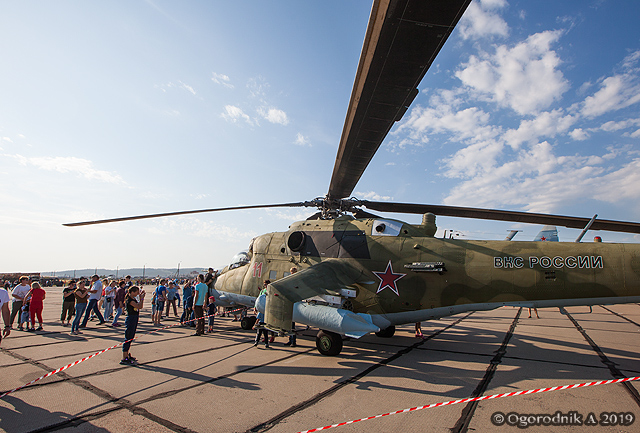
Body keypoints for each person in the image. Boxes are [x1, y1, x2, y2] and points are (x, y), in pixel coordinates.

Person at [121, 286, 146, 365]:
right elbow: (139, 306)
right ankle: (124, 357)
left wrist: (140, 297)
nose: (138, 293)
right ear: (132, 292)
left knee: (131, 337)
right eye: (137, 292)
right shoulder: (130, 300)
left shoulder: (133, 299)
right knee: (128, 337)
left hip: (134, 318)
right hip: (131, 319)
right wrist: (142, 298)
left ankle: (127, 354)